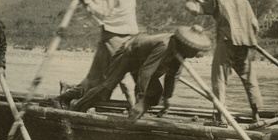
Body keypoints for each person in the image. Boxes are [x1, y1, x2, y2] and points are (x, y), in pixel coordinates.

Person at [70, 25, 211, 122]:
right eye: (194, 49)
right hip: (129, 54)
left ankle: (135, 116)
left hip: (142, 63)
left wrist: (167, 97)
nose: (196, 53)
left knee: (156, 93)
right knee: (107, 87)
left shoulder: (180, 53)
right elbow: (145, 73)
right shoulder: (165, 45)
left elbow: (172, 76)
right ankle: (77, 107)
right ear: (186, 45)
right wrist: (141, 99)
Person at [54, 0, 138, 109]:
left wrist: (87, 1)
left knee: (119, 75)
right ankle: (65, 97)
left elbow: (102, 12)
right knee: (96, 76)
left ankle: (134, 109)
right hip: (122, 36)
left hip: (113, 37)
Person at [184, 0, 263, 124]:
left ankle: (221, 117)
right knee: (250, 79)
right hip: (244, 45)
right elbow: (255, 26)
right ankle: (257, 115)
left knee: (219, 79)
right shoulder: (244, 1)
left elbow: (195, 10)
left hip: (227, 43)